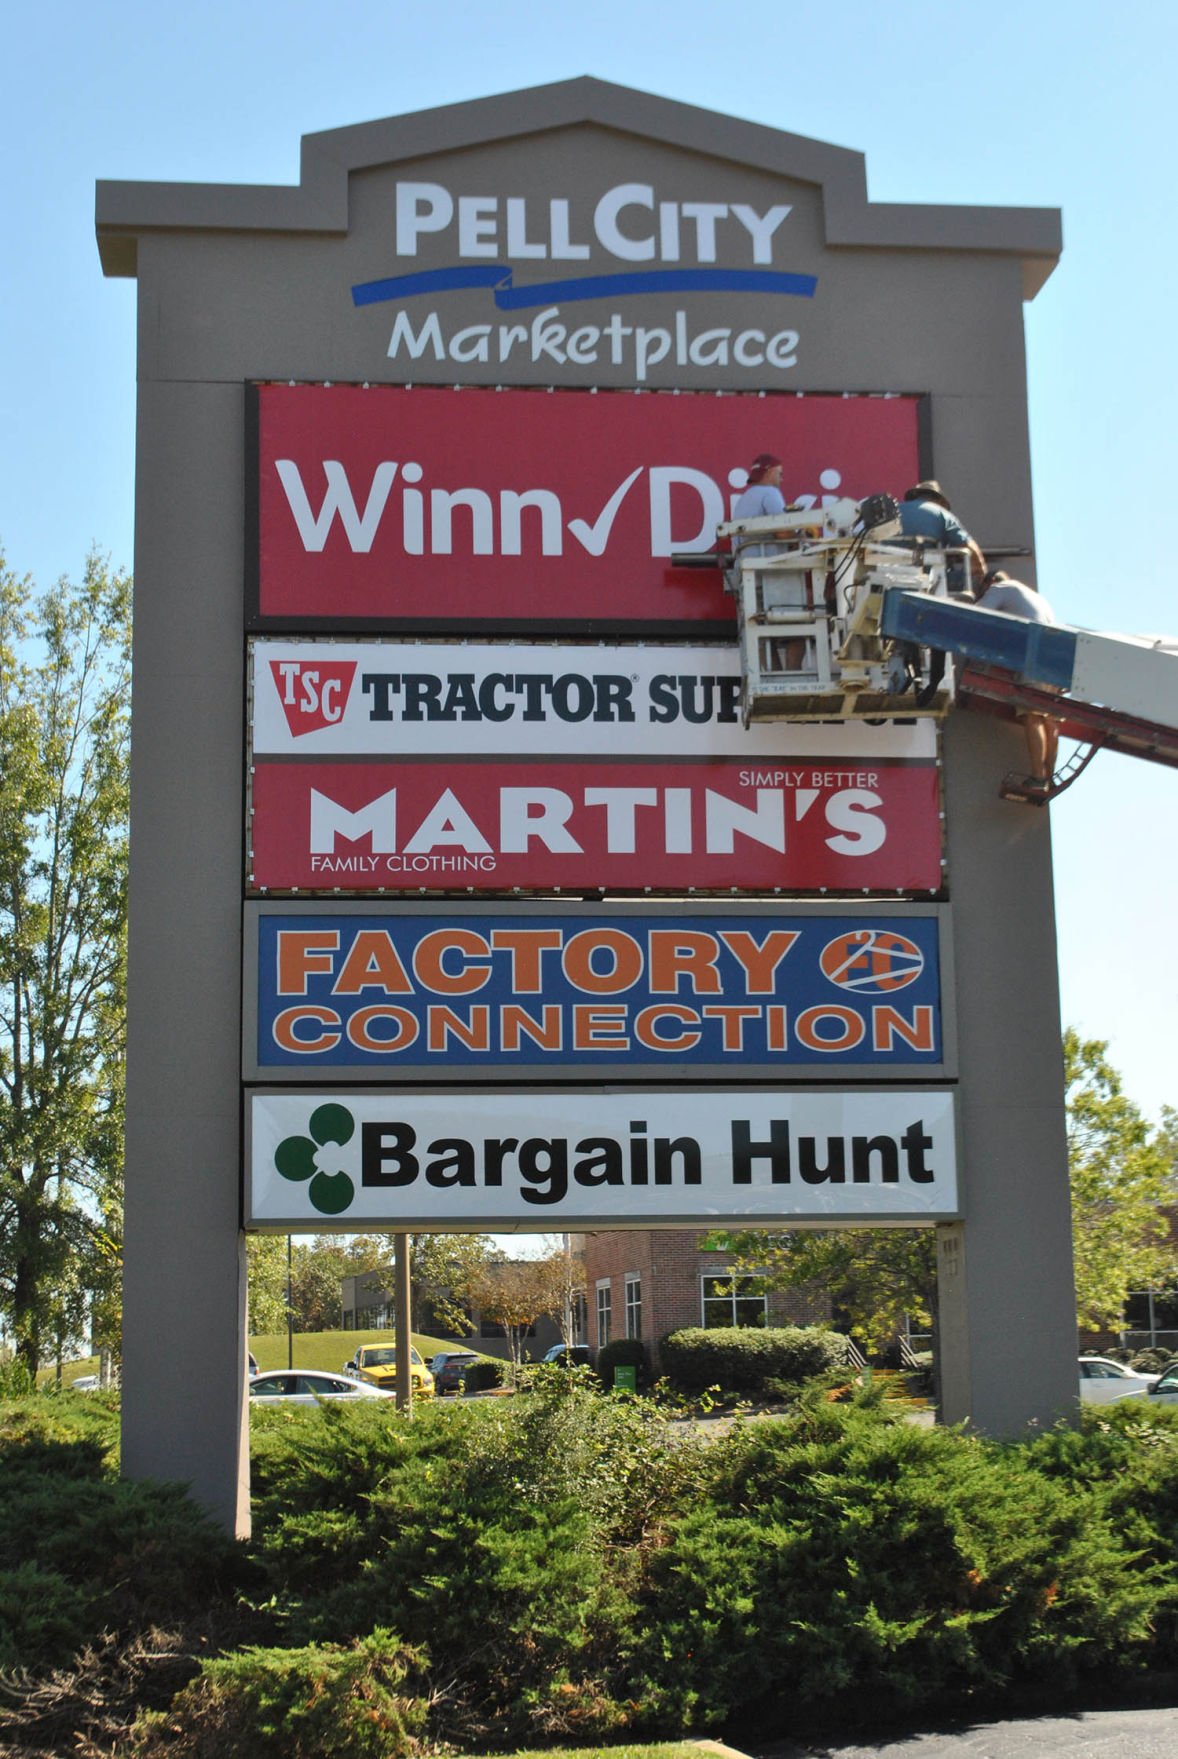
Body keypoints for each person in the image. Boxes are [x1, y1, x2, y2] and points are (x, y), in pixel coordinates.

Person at [976, 568, 1060, 794]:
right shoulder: (1035, 596)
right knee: (1049, 718)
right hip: (1057, 656)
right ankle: (1048, 776)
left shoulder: (1000, 588)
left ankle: (1038, 777)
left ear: (991, 581)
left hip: (1034, 653)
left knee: (1032, 715)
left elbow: (976, 614)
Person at [897, 480, 986, 591]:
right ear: (939, 500)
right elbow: (971, 549)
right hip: (929, 580)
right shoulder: (942, 514)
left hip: (888, 576)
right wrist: (980, 572)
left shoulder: (894, 512)